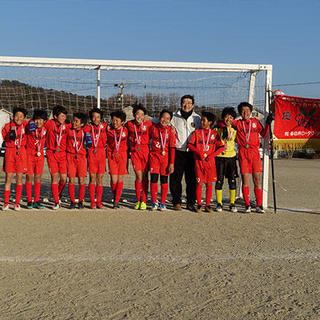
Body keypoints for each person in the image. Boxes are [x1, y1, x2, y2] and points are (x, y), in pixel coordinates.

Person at [232, 102, 273, 213]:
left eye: (247, 111)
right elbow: (225, 123)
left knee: (257, 180)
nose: (245, 113)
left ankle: (259, 205)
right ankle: (247, 204)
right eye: (243, 111)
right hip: (243, 152)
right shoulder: (236, 123)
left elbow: (264, 134)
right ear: (240, 113)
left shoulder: (255, 122)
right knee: (245, 180)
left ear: (251, 112)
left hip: (254, 153)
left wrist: (268, 123)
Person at [187, 111, 224, 213]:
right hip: (199, 162)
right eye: (202, 120)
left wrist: (211, 155)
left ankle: (207, 205)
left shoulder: (214, 134)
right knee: (199, 184)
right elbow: (190, 145)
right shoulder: (197, 133)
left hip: (210, 163)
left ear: (210, 122)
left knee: (209, 184)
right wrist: (198, 152)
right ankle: (199, 204)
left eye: (204, 120)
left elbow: (221, 147)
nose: (202, 122)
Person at [170, 95, 201, 211]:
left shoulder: (197, 118)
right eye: (184, 102)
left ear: (193, 105)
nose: (186, 105)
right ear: (180, 104)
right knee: (175, 179)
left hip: (192, 153)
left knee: (191, 179)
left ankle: (190, 202)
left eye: (189, 103)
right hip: (178, 151)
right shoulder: (174, 117)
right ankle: (176, 201)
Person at [44, 105, 71, 209]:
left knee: (64, 179)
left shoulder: (67, 125)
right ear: (55, 116)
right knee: (55, 177)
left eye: (65, 116)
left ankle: (57, 194)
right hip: (52, 153)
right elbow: (39, 124)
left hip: (63, 154)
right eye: (62, 116)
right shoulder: (49, 123)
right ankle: (56, 201)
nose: (64, 118)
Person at [126, 103, 152, 210]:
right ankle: (138, 200)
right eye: (137, 114)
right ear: (133, 114)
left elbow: (161, 122)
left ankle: (144, 201)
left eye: (142, 114)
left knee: (145, 177)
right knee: (139, 176)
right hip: (135, 152)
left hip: (145, 151)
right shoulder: (129, 124)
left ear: (144, 116)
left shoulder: (149, 123)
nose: (139, 117)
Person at [1, 107, 28, 210]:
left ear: (24, 118)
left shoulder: (26, 125)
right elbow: (4, 137)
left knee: (19, 178)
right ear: (13, 116)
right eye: (17, 116)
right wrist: (10, 133)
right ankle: (6, 202)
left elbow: (32, 128)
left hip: (21, 152)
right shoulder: (8, 126)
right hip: (10, 151)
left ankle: (17, 202)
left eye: (21, 116)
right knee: (8, 178)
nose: (18, 118)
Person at [149, 109, 176, 211]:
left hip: (165, 159)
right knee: (154, 178)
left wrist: (172, 163)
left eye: (168, 118)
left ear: (170, 121)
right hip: (154, 158)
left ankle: (163, 202)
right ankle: (154, 202)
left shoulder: (171, 131)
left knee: (164, 180)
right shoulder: (153, 128)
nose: (165, 120)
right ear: (159, 118)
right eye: (163, 117)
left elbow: (172, 148)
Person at [214, 107, 238, 213]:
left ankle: (232, 203)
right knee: (219, 180)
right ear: (223, 117)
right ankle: (219, 203)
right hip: (219, 158)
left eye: (231, 117)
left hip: (231, 158)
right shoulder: (216, 129)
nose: (228, 119)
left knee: (232, 181)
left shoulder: (234, 129)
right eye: (227, 116)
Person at [84, 108, 108, 209]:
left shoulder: (105, 126)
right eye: (93, 117)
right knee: (92, 178)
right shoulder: (87, 128)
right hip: (91, 153)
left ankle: (99, 201)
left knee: (100, 178)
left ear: (101, 118)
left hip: (102, 153)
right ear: (91, 118)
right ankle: (92, 201)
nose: (95, 119)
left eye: (98, 117)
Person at [25, 109, 48, 209]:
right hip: (29, 155)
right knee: (29, 177)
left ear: (44, 121)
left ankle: (37, 200)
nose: (38, 122)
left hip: (40, 155)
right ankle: (29, 200)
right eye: (36, 119)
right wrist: (31, 122)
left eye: (41, 120)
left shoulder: (45, 128)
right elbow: (27, 123)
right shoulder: (30, 126)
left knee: (38, 178)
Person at [106, 110, 128, 209]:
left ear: (122, 122)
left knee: (120, 178)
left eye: (117, 120)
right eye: (113, 120)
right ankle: (115, 195)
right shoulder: (108, 130)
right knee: (113, 179)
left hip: (123, 156)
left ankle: (116, 200)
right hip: (112, 156)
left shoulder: (127, 130)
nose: (114, 122)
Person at [66, 112, 87, 209]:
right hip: (70, 156)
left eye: (76, 121)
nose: (73, 123)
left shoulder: (85, 131)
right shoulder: (68, 130)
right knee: (71, 179)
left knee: (81, 179)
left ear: (82, 124)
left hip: (81, 158)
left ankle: (81, 200)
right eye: (73, 120)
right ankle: (72, 201)